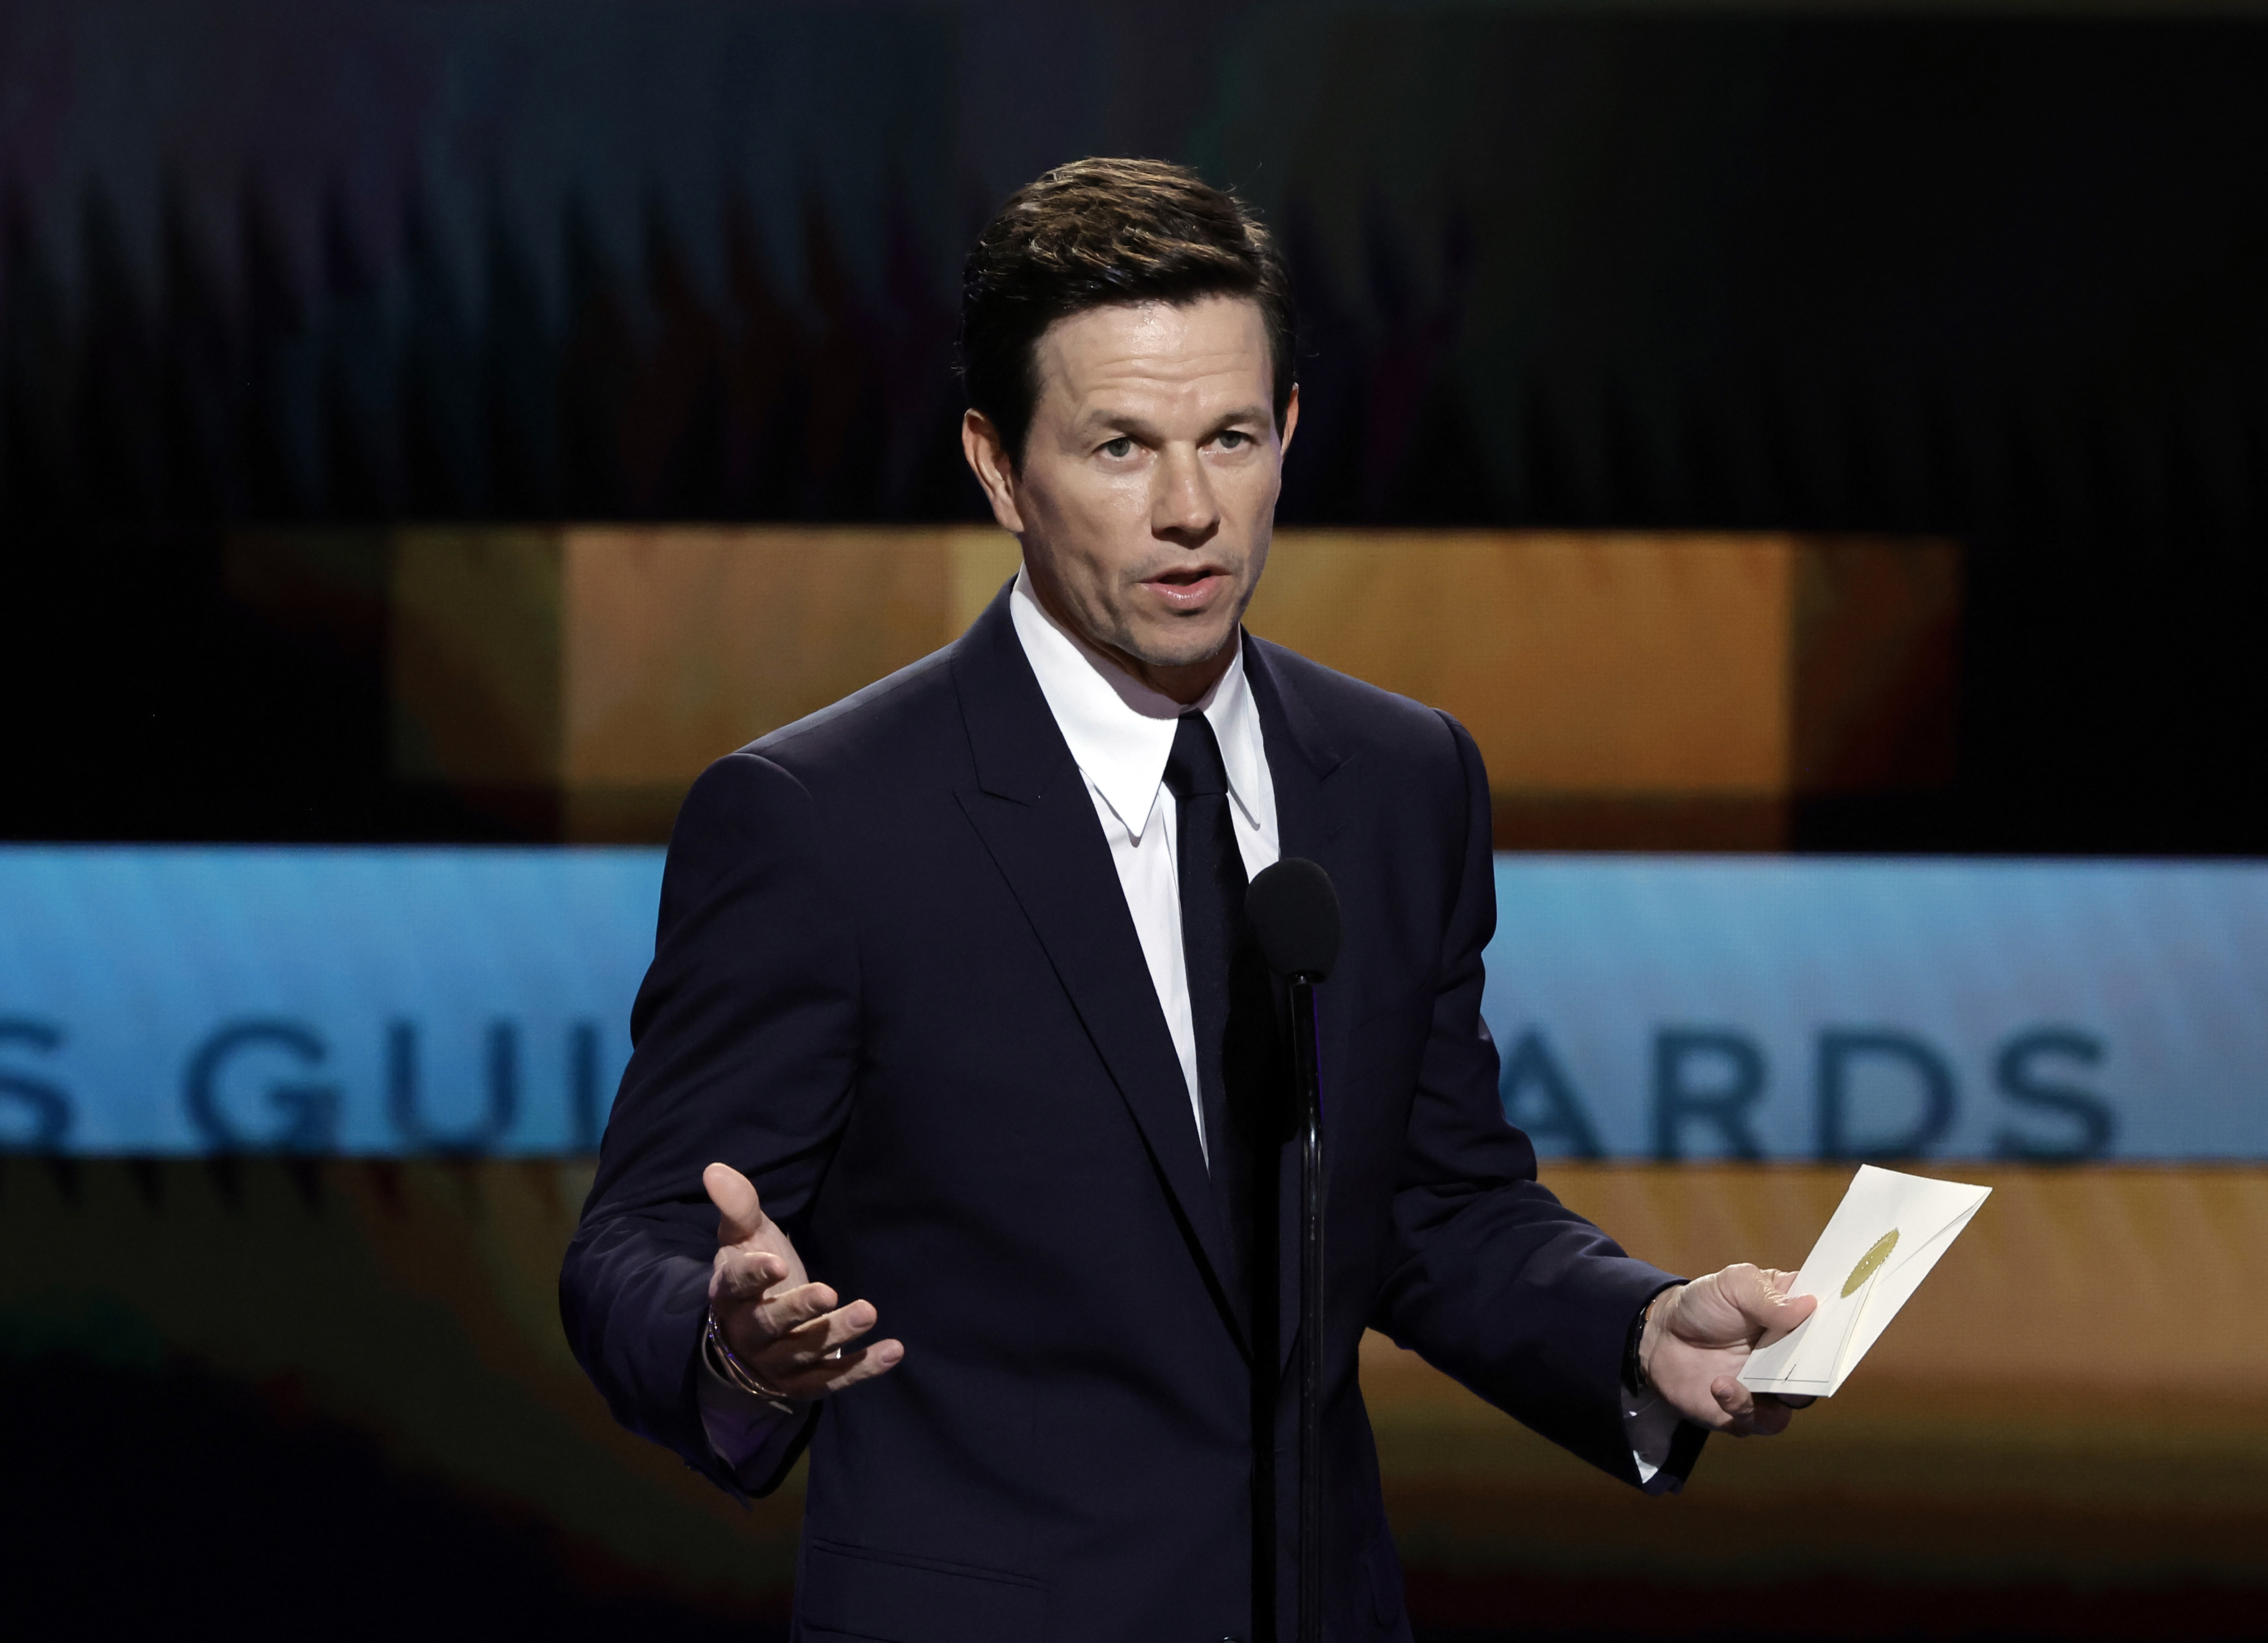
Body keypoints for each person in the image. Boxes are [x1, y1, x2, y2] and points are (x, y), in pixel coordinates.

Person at [560, 158, 1815, 1643]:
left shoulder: (1400, 778)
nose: (1188, 512)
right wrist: (735, 1347)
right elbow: (633, 1241)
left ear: (1287, 431)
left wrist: (1637, 1325)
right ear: (996, 464)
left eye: (1229, 437)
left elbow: (1430, 1200)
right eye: (1119, 448)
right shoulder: (822, 821)